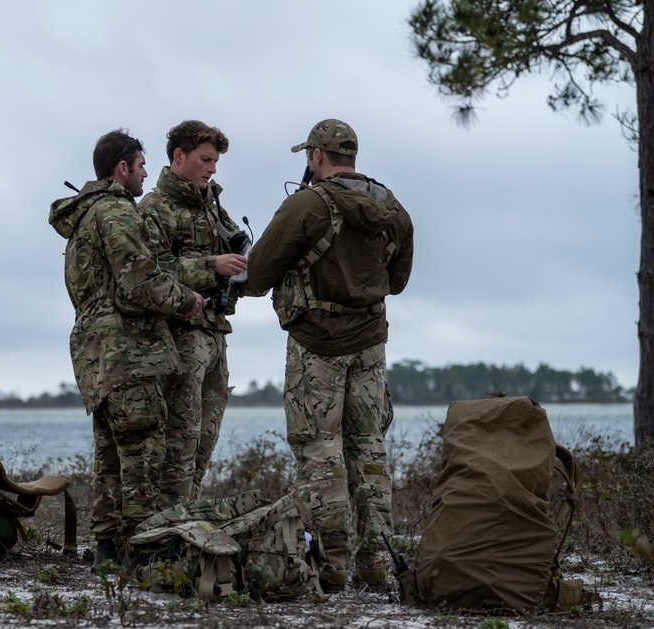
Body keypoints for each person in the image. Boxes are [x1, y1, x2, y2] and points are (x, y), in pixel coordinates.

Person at [246, 119, 414, 592]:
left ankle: (333, 564)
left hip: (316, 344)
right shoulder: (392, 207)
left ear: (317, 156)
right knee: (369, 447)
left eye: (308, 156)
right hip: (371, 344)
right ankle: (378, 561)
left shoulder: (306, 204)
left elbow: (258, 274)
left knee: (320, 451)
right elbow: (397, 282)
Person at [49, 129, 206, 571]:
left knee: (110, 455)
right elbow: (138, 281)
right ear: (122, 168)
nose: (143, 176)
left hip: (95, 352)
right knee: (143, 452)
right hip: (127, 351)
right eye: (140, 167)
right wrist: (186, 299)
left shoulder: (84, 216)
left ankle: (107, 549)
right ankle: (144, 552)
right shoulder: (116, 213)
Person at [137, 120, 252, 507]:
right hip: (179, 336)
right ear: (178, 156)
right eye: (205, 159)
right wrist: (211, 265)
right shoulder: (154, 209)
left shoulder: (213, 206)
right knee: (179, 439)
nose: (212, 168)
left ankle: (184, 521)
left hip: (216, 332)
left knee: (205, 439)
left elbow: (234, 255)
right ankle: (164, 530)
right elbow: (149, 271)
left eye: (216, 161)